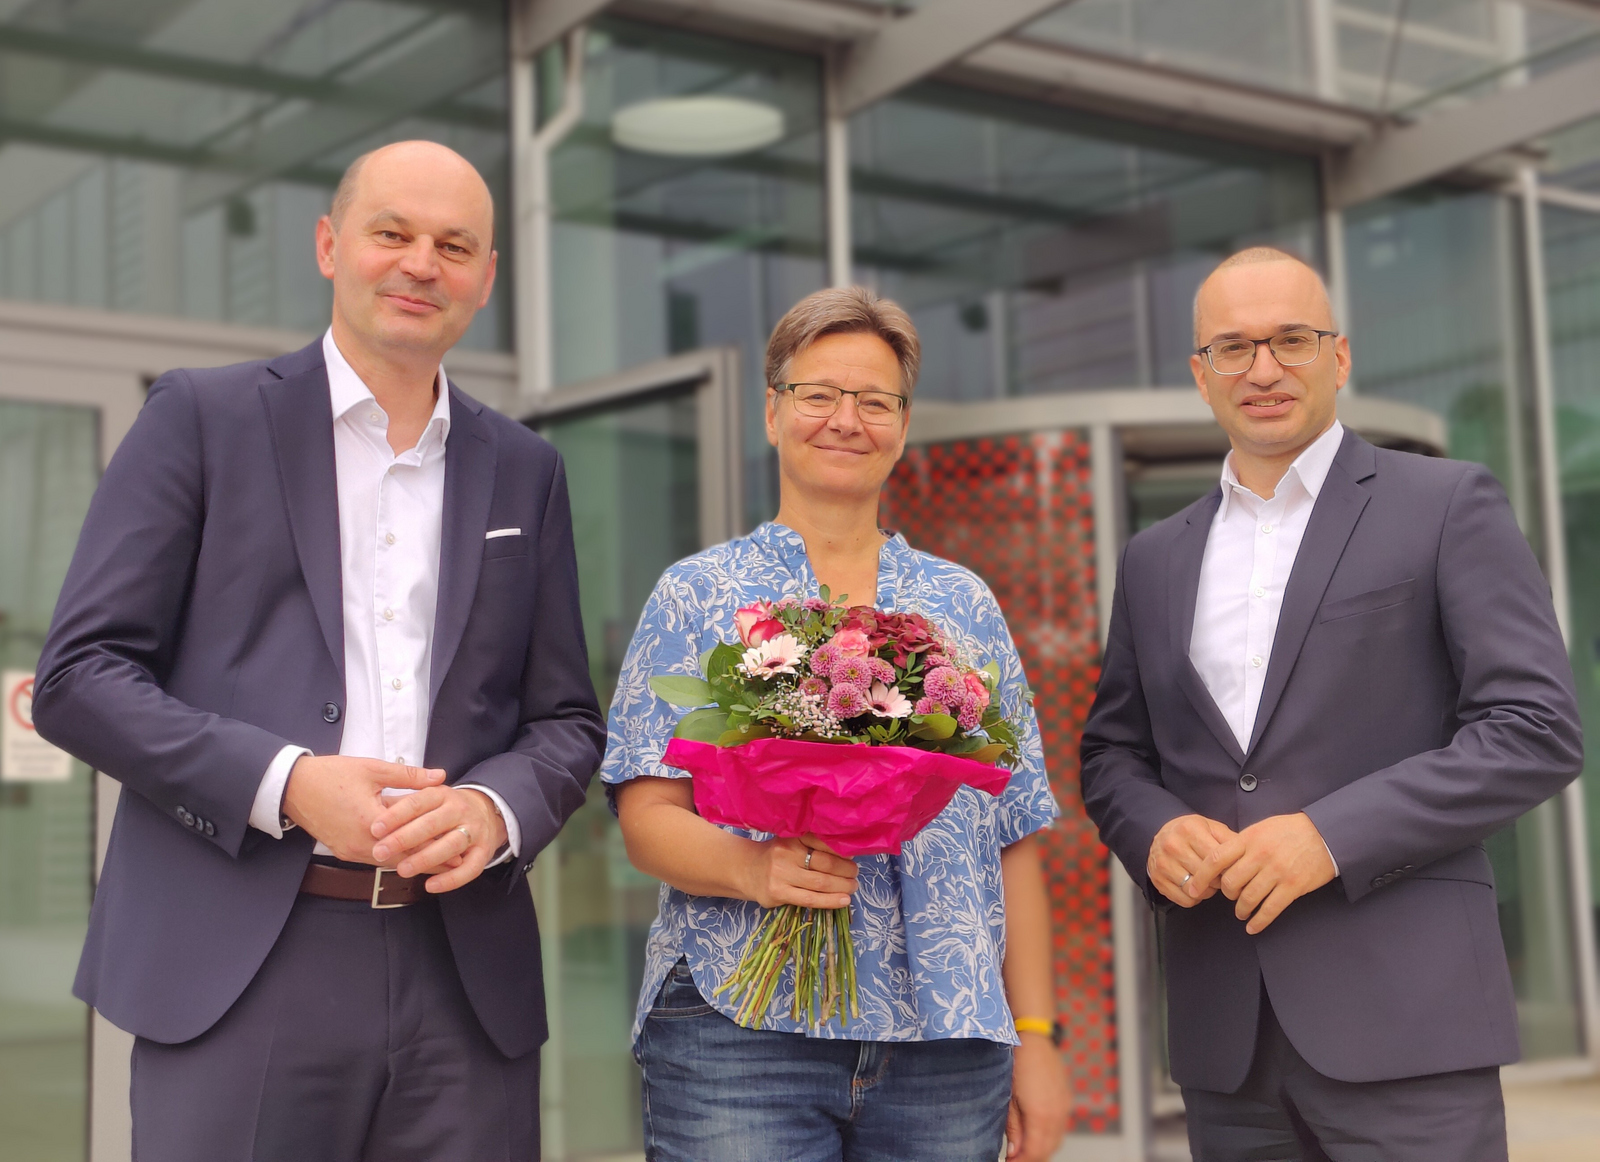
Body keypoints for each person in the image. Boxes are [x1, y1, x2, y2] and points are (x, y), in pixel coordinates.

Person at [32, 140, 605, 1161]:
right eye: (393, 233)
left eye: (453, 244)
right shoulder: (200, 419)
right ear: (330, 245)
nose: (421, 263)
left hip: (462, 977)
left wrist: (492, 804)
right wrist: (289, 783)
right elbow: (80, 677)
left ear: (485, 279)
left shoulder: (527, 469)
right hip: (242, 961)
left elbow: (563, 718)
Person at [1079, 247, 1583, 1160]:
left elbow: (1535, 730)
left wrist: (1330, 835)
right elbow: (1114, 754)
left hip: (1411, 1027)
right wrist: (1153, 831)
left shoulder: (1445, 503)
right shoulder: (1154, 558)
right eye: (1233, 348)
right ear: (1201, 375)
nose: (1263, 368)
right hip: (1225, 1043)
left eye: (1292, 340)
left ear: (1340, 357)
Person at [602, 286, 1071, 1162]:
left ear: (902, 422)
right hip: (741, 1026)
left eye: (875, 401)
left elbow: (1014, 835)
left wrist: (1037, 1035)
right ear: (774, 413)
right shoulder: (699, 593)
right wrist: (754, 867)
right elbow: (647, 818)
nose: (845, 419)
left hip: (949, 1040)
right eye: (819, 395)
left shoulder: (961, 604)